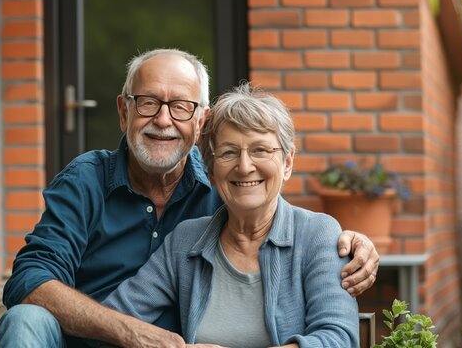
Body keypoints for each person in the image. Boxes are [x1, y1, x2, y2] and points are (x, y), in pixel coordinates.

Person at [0, 48, 378, 348]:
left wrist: (347, 242)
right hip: (88, 339)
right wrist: (136, 336)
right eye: (147, 103)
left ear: (200, 121)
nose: (163, 120)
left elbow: (336, 330)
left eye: (180, 106)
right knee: (26, 320)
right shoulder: (89, 182)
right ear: (124, 112)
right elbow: (28, 279)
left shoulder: (227, 189)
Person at [104, 82, 360, 347]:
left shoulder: (317, 235)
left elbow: (338, 338)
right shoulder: (185, 242)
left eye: (260, 150)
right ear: (211, 170)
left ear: (287, 162)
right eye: (228, 153)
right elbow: (115, 322)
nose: (245, 166)